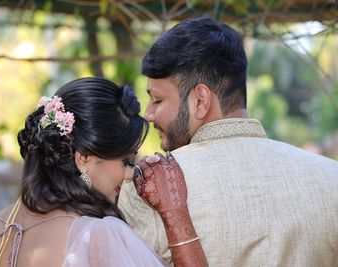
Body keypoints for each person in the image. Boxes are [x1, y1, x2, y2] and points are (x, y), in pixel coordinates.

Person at [118, 16, 338, 266]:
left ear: (200, 100)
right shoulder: (332, 179)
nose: (148, 114)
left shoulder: (149, 190)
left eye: (157, 100)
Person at [0, 77, 207, 267]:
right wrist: (174, 214)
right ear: (84, 158)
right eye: (126, 161)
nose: (129, 176)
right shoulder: (97, 237)